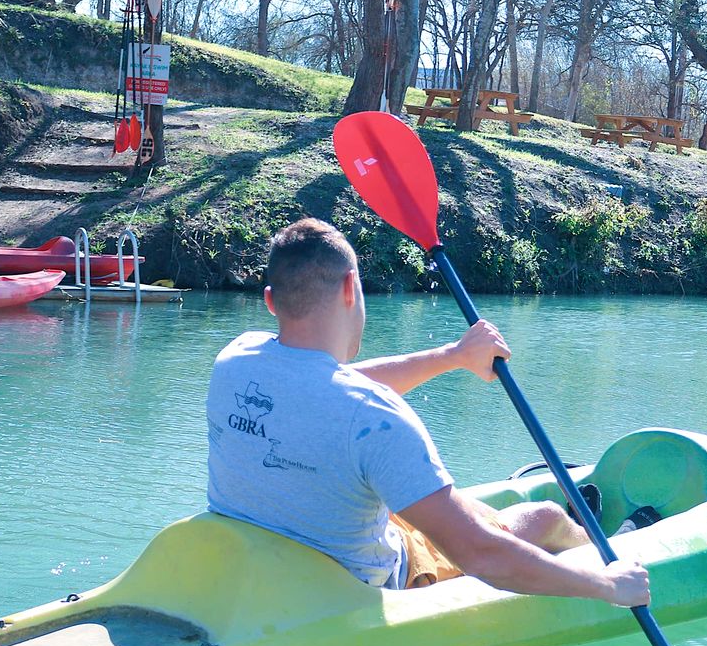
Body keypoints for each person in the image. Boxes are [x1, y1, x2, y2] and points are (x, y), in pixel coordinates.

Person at [206, 218, 650, 607]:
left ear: (269, 300)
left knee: (448, 505)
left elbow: (321, 384)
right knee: (546, 518)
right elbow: (479, 555)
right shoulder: (375, 417)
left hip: (265, 557)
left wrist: (453, 356)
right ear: (349, 288)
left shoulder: (236, 360)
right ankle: (611, 551)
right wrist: (606, 586)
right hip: (366, 582)